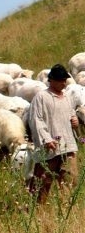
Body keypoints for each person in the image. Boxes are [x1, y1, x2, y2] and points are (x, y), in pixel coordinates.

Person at [27, 64, 80, 204]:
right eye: (61, 80)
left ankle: (66, 210)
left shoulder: (67, 97)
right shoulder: (41, 97)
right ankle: (37, 210)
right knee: (43, 181)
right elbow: (36, 120)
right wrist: (46, 139)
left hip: (68, 146)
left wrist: (74, 122)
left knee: (70, 179)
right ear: (52, 80)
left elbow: (71, 115)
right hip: (49, 147)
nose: (64, 83)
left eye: (65, 80)